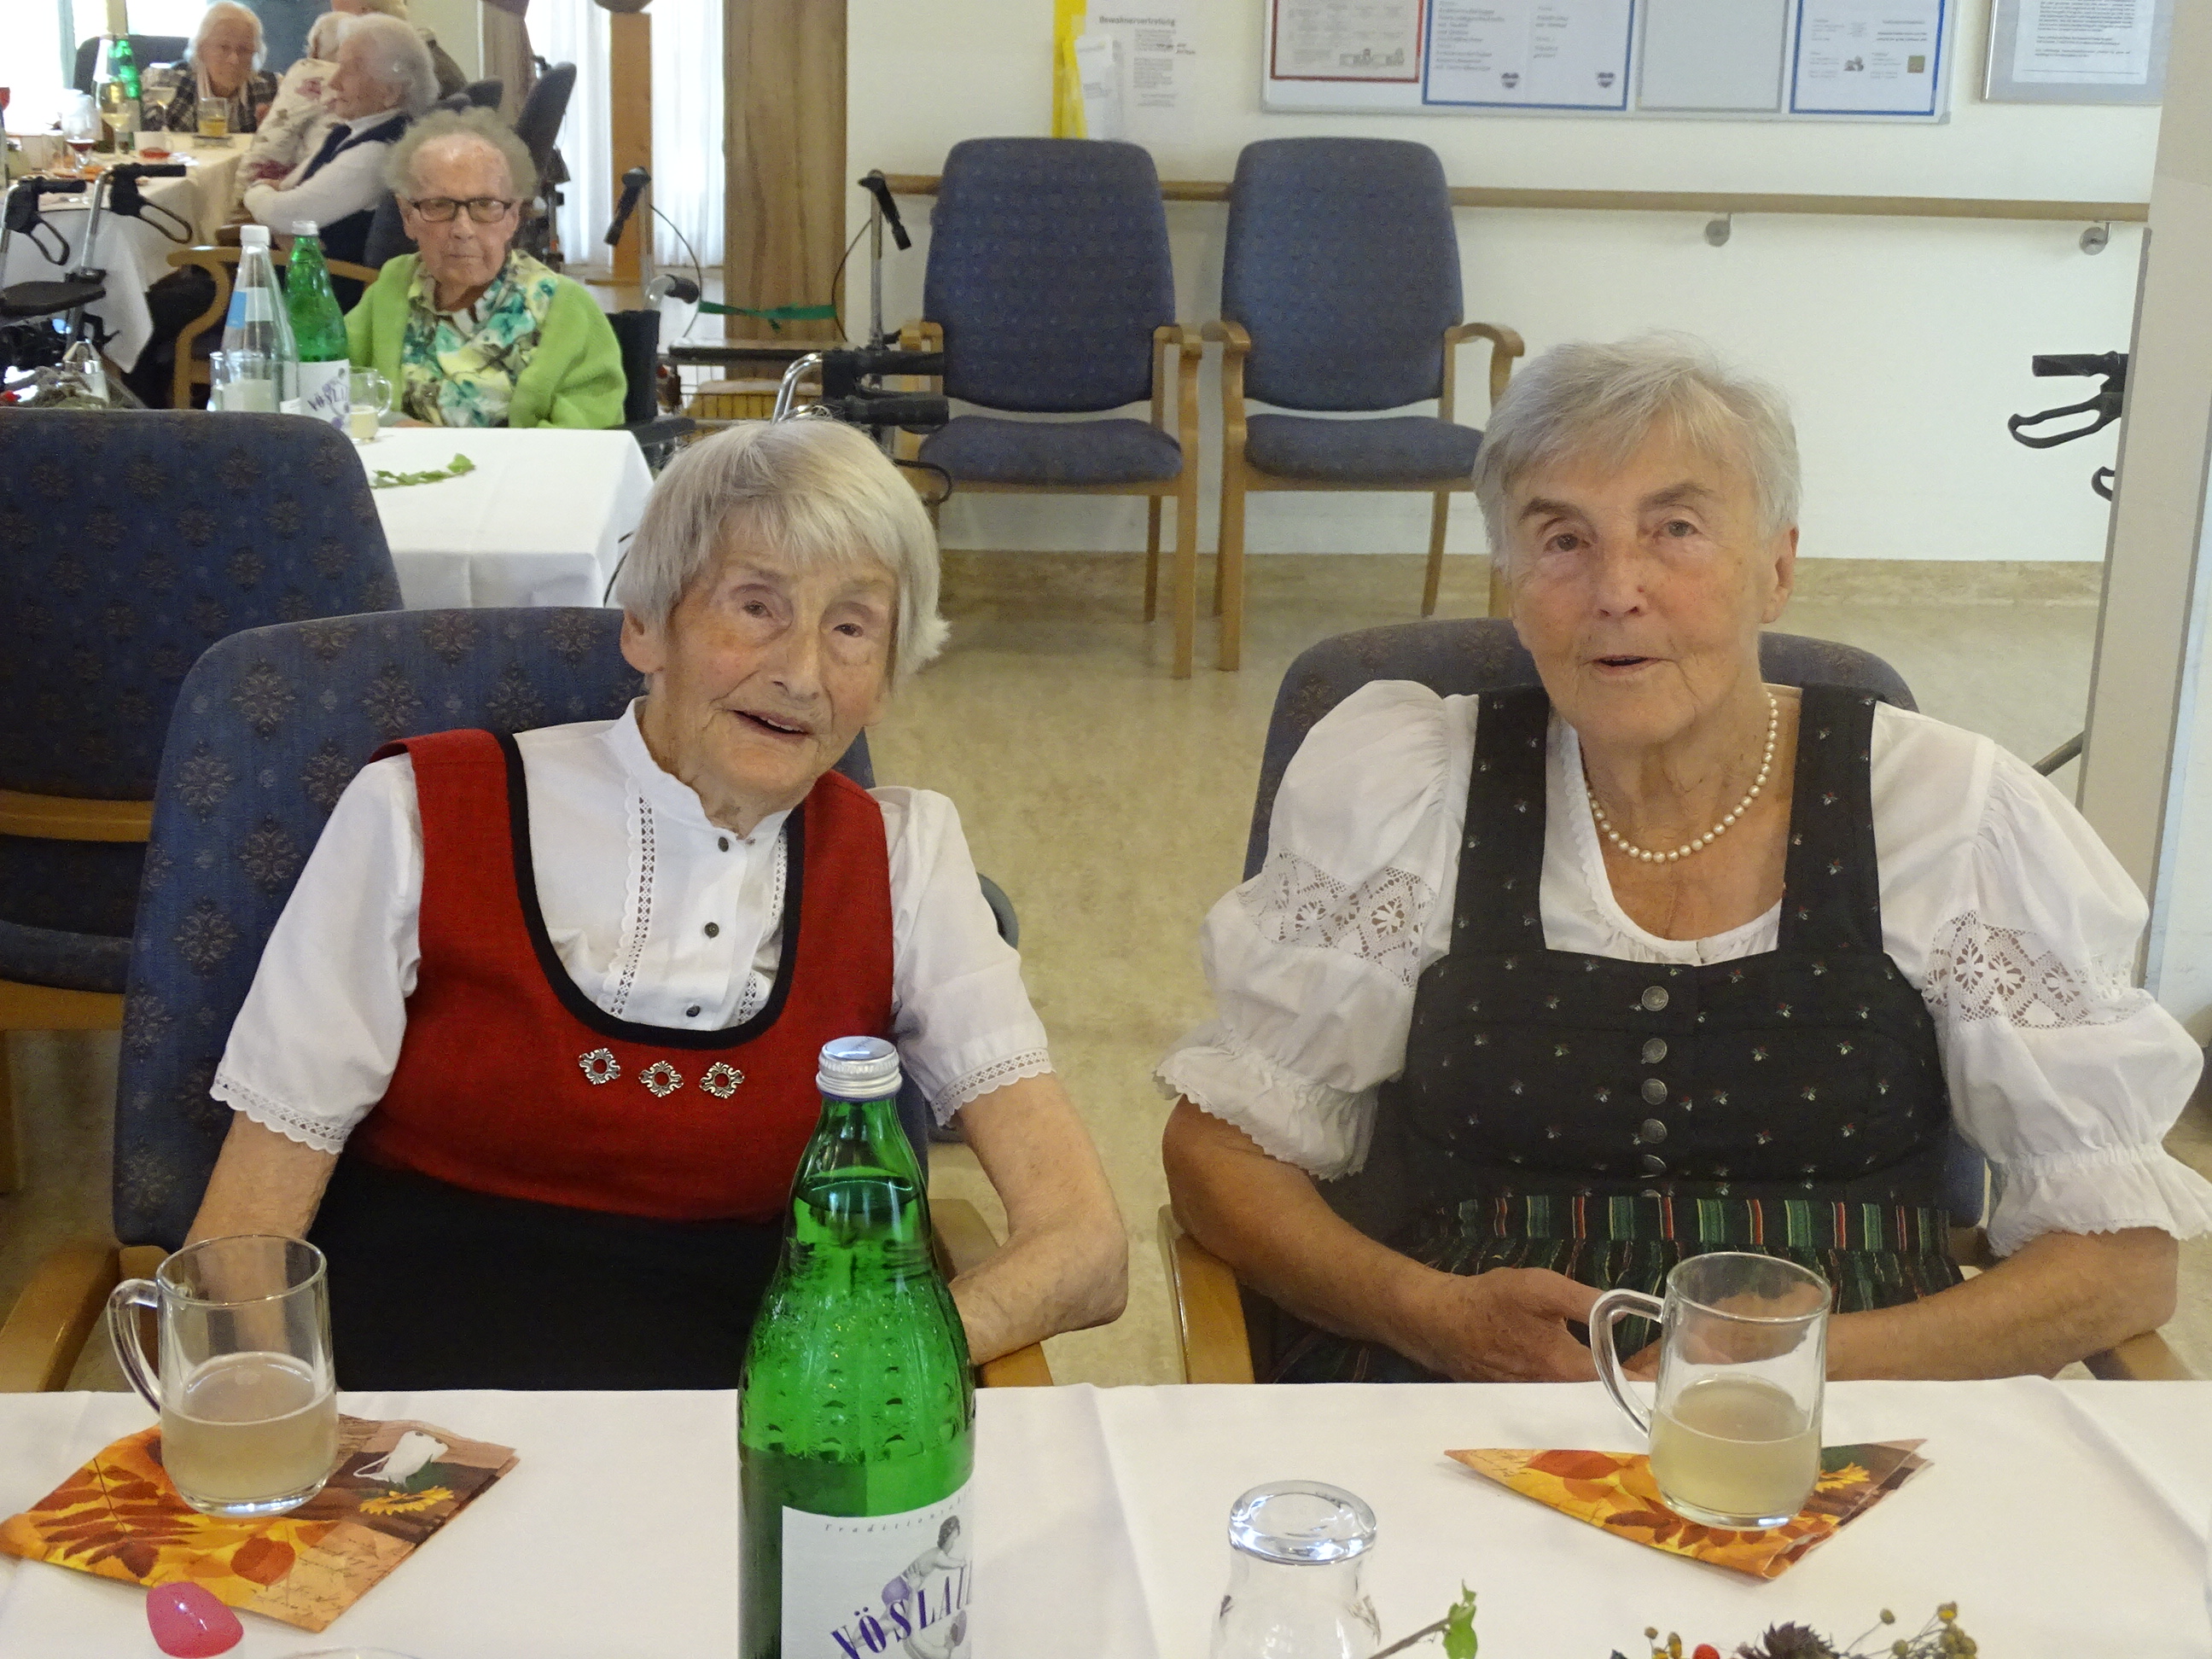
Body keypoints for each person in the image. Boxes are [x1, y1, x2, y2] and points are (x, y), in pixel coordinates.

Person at [1159, 334, 2211, 1384]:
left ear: (1777, 569)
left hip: (1854, 1406)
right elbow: (1220, 1156)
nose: (1617, 587)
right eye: (1562, 540)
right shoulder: (1413, 789)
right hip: (1464, 1388)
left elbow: (2121, 1266)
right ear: (1511, 582)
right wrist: (1423, 1312)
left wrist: (1791, 1367)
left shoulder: (1952, 813)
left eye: (1676, 529)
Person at [186, 419, 1129, 1389]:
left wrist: (863, 1364)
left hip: (749, 1425)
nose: (801, 672)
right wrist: (296, 1448)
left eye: (852, 628)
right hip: (411, 1415)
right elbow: (243, 1241)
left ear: (884, 682)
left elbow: (1087, 1247)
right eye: (756, 606)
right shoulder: (418, 813)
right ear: (645, 626)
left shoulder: (903, 859)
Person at [345, 108, 623, 428]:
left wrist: (462, 450)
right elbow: (331, 385)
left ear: (513, 217)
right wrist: (395, 424)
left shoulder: (564, 306)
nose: (463, 229)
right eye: (439, 205)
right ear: (408, 216)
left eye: (486, 205)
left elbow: (589, 439)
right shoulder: (396, 284)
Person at [240, 10, 436, 267]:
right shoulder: (353, 131)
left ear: (390, 92)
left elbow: (287, 215)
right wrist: (277, 210)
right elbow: (287, 192)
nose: (334, 82)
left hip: (322, 284)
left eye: (351, 70)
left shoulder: (375, 152)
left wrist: (255, 191)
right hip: (298, 267)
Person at [231, 11, 348, 205]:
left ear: (315, 47)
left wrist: (239, 198)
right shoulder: (374, 81)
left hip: (307, 194)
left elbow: (270, 147)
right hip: (344, 190)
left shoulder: (310, 71)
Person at [143, 2, 278, 136]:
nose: (234, 60)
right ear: (200, 49)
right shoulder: (166, 84)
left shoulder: (273, 90)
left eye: (244, 49)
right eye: (223, 47)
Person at [328, 0, 469, 98]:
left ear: (368, 16)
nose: (333, 83)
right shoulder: (420, 58)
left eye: (339, 22)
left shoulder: (413, 73)